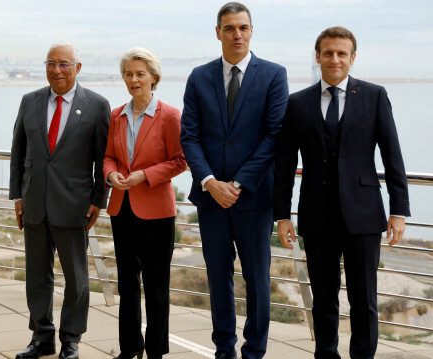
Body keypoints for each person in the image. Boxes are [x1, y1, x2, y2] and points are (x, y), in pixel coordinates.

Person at [273, 26, 410, 359]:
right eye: (329, 52)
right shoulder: (297, 102)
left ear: (352, 58)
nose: (335, 59)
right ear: (318, 56)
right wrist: (281, 215)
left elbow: (393, 155)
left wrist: (398, 211)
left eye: (342, 53)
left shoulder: (374, 96)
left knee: (364, 299)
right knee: (323, 298)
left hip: (363, 213)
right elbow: (285, 164)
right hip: (316, 215)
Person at [180, 3, 289, 359]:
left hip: (254, 199)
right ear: (218, 33)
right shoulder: (199, 76)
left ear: (252, 31)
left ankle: (254, 352)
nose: (237, 34)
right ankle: (223, 351)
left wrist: (238, 184)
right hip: (210, 199)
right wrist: (211, 182)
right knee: (219, 280)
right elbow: (190, 137)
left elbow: (274, 137)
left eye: (243, 27)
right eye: (229, 28)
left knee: (257, 281)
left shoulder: (274, 75)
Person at [9, 42, 110, 359]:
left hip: (75, 203)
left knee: (77, 278)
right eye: (51, 64)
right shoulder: (30, 101)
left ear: (78, 67)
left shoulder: (96, 105)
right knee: (36, 276)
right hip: (35, 201)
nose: (56, 70)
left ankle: (71, 339)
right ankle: (41, 337)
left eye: (64, 64)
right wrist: (17, 196)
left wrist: (98, 199)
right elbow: (18, 151)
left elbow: (102, 158)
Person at [104, 47, 187, 359]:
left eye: (140, 73)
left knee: (156, 287)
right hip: (121, 207)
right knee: (127, 284)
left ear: (155, 77)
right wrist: (111, 175)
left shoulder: (170, 116)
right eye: (128, 74)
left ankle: (155, 351)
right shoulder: (116, 116)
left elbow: (181, 161)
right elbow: (109, 156)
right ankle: (129, 349)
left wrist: (145, 175)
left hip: (157, 212)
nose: (134, 79)